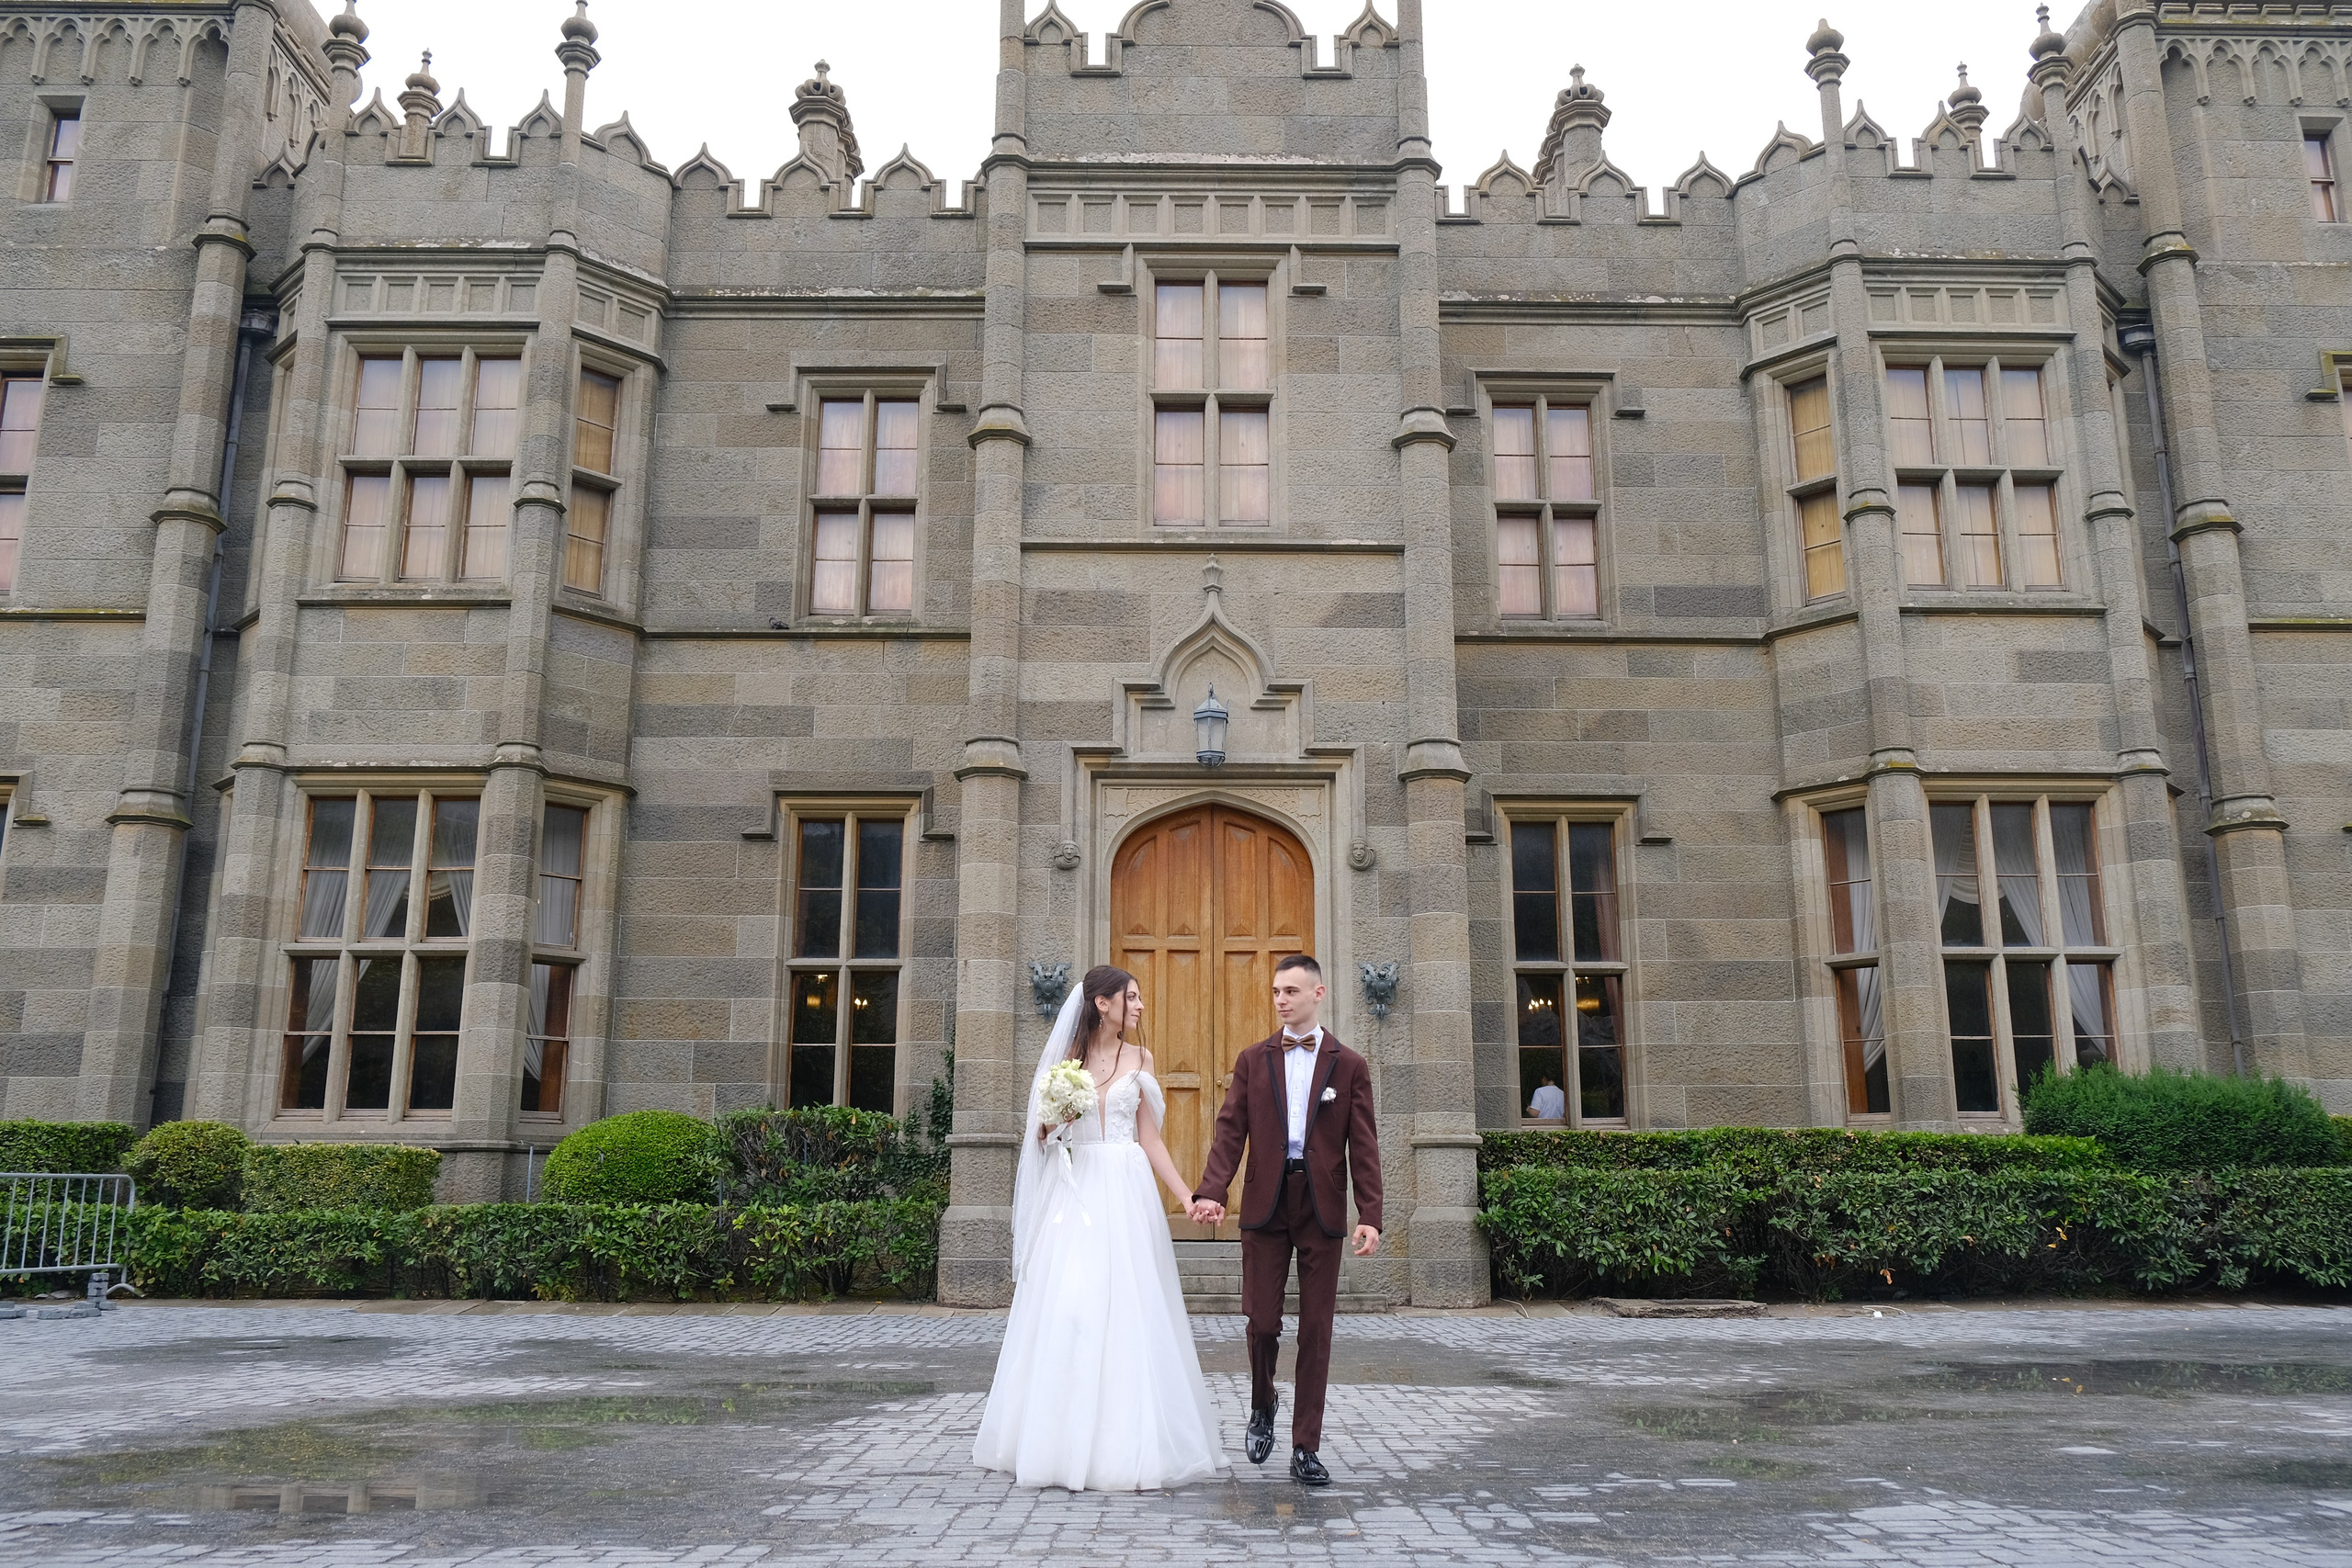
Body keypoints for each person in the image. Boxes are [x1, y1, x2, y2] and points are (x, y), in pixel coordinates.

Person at [973, 964, 1226, 1492]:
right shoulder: (1067, 1060)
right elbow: (1041, 1137)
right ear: (1102, 1003)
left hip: (1128, 1190)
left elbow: (1150, 1139)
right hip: (1079, 1188)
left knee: (1133, 1304)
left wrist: (1187, 1196)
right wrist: (1057, 1118)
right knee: (1073, 1303)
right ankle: (1058, 1439)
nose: (1140, 1006)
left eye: (1139, 997)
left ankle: (1128, 1440)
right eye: (1131, 997)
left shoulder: (1142, 1059)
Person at [1189, 953, 1382, 1487]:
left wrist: (1370, 1214)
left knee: (1316, 1329)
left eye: (1291, 991)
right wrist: (1212, 1191)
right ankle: (1263, 1401)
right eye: (1276, 991)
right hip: (1265, 1203)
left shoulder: (1349, 1064)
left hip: (1322, 1205)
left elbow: (1364, 1145)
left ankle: (1305, 1447)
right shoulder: (1253, 1060)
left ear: (1318, 994)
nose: (1281, 1000)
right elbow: (1231, 1131)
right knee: (1262, 1322)